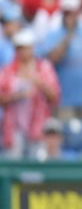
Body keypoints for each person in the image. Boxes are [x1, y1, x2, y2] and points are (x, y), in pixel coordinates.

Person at [0, 30, 60, 158]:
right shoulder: (7, 71)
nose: (23, 52)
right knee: (13, 166)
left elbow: (54, 97)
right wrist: (18, 95)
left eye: (26, 48)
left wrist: (41, 84)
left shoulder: (44, 68)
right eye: (19, 48)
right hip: (14, 129)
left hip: (38, 129)